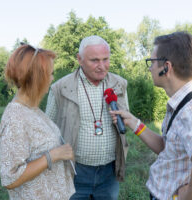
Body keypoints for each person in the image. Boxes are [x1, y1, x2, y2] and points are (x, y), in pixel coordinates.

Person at [110, 32, 192, 200]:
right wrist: (133, 122)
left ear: (166, 67)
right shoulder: (182, 103)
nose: (150, 68)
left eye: (152, 62)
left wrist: (185, 197)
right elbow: (167, 148)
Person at [45, 35, 129, 200]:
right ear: (80, 59)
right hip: (74, 172)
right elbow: (47, 130)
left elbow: (127, 121)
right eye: (95, 60)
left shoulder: (120, 84)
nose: (102, 66)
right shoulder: (60, 88)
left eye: (105, 59)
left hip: (109, 173)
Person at [0, 44, 75, 200]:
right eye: (51, 74)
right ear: (38, 78)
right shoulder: (16, 118)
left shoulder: (32, 109)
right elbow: (10, 178)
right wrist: (52, 156)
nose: (53, 79)